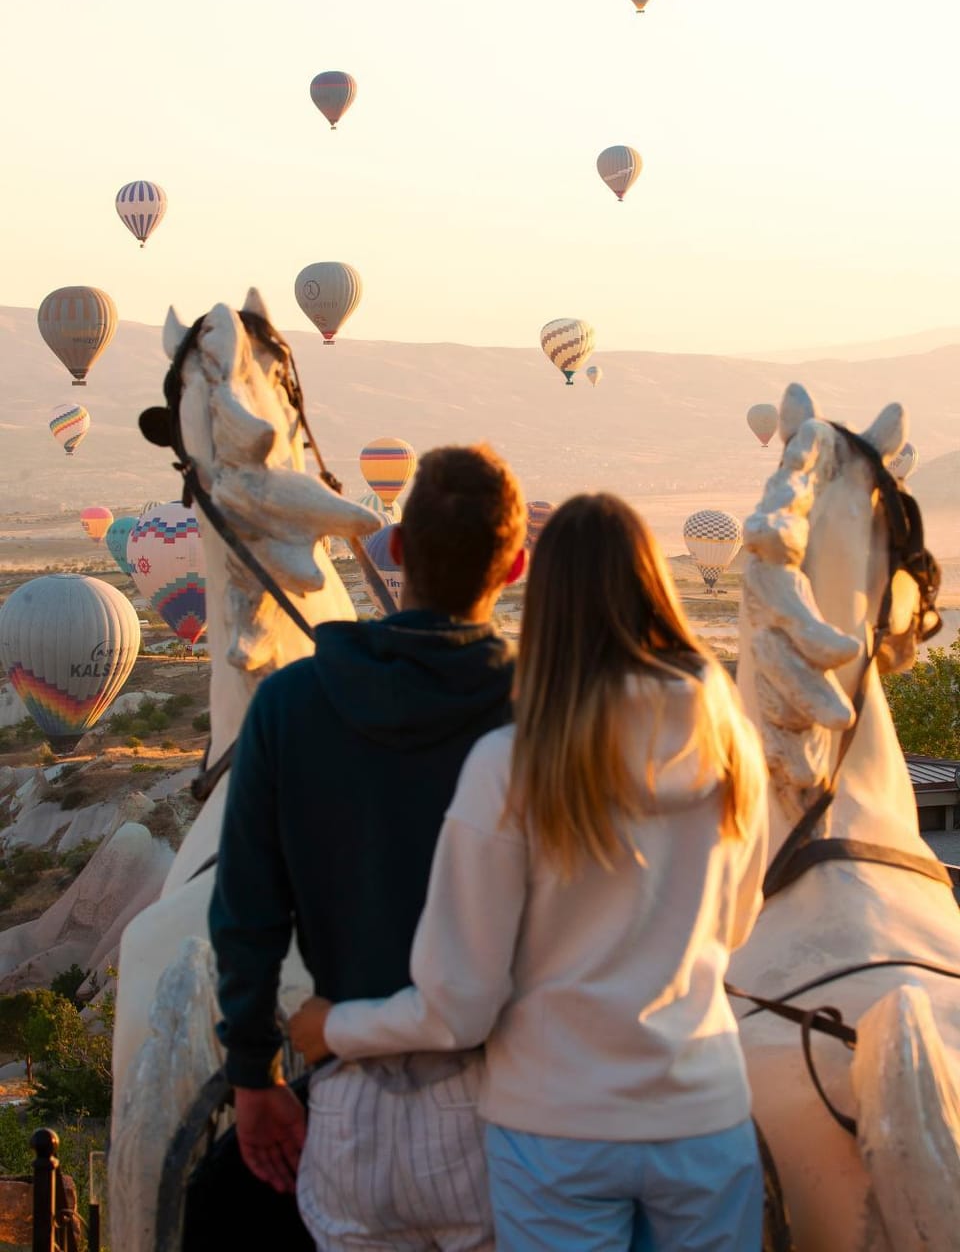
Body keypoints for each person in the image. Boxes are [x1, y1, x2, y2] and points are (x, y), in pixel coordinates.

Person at [290, 492, 770, 1252]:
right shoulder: (732, 747)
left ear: (543, 602)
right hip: (705, 1117)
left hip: (556, 1129)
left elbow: (458, 1005)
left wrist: (332, 1027)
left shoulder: (510, 765)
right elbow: (737, 925)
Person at [209, 443, 527, 1251]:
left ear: (394, 550)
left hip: (349, 1109)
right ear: (516, 564)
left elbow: (245, 910)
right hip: (513, 1110)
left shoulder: (289, 703)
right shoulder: (545, 710)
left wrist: (254, 1075)